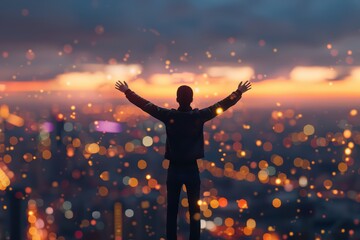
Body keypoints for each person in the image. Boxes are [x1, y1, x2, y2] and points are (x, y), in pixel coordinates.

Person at [115, 80, 251, 240]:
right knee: (194, 210)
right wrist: (238, 92)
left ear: (177, 99)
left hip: (174, 169)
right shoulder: (199, 116)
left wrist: (127, 91)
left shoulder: (169, 116)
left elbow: (146, 105)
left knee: (172, 210)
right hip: (192, 169)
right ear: (192, 99)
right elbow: (222, 105)